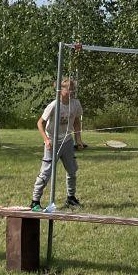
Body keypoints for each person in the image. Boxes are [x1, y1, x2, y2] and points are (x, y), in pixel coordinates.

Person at [30, 78, 84, 211]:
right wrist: (46, 140)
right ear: (61, 90)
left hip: (67, 141)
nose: (72, 92)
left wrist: (78, 139)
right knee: (46, 173)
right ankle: (35, 202)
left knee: (72, 170)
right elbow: (40, 123)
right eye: (69, 89)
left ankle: (71, 198)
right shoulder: (54, 105)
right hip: (52, 143)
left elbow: (76, 121)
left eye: (73, 89)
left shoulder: (76, 104)